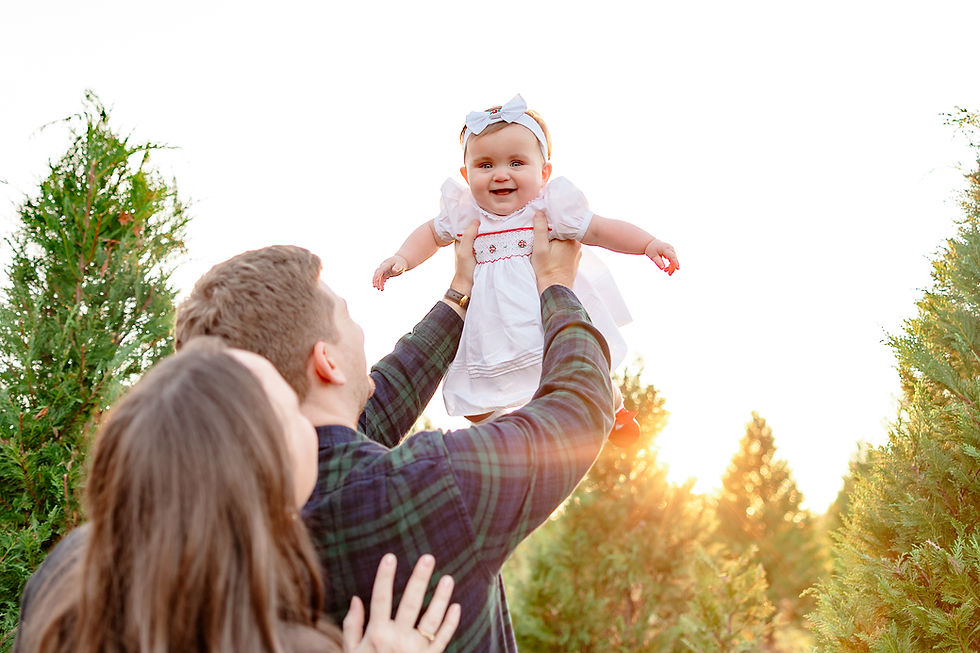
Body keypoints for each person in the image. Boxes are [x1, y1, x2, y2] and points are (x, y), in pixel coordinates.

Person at [173, 213, 615, 652]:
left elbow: (375, 404)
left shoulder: (221, 535)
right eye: (346, 316)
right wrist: (556, 284)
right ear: (326, 361)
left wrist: (460, 291)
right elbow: (576, 409)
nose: (359, 330)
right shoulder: (430, 486)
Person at [14, 338, 460, 653]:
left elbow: (370, 414)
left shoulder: (66, 573)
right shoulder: (286, 642)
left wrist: (455, 299)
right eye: (292, 410)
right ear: (263, 472)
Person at [372, 94, 680, 445]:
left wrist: (647, 244)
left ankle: (614, 410)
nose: (501, 174)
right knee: (472, 399)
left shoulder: (551, 210)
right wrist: (402, 258)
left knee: (584, 364)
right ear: (466, 175)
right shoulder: (465, 213)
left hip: (543, 316)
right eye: (485, 165)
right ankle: (507, 431)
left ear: (544, 172)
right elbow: (430, 234)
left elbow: (599, 229)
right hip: (491, 327)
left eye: (517, 162)